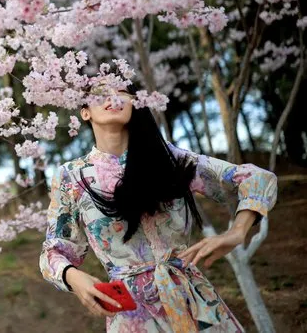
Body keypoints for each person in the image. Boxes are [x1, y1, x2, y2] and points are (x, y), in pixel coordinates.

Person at [39, 80, 278, 333]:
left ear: (136, 104)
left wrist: (237, 232)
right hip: (133, 314)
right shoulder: (72, 176)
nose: (114, 98)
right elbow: (54, 251)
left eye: (122, 92)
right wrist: (74, 278)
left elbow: (258, 179)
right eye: (100, 94)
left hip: (194, 302)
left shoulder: (170, 159)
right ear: (84, 111)